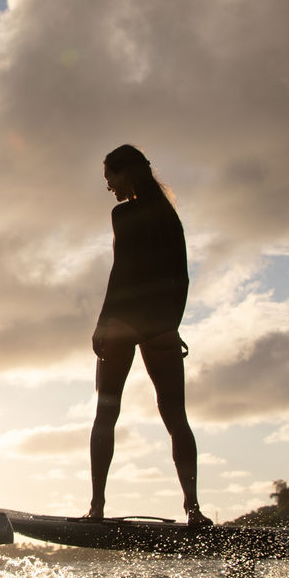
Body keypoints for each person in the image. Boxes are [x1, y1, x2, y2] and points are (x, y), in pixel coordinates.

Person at [88, 144, 211, 527]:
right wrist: (172, 322)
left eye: (110, 177)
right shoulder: (168, 215)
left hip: (124, 321)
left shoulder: (122, 214)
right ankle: (193, 509)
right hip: (160, 324)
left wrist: (103, 324)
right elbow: (182, 275)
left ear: (126, 174)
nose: (108, 186)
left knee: (105, 413)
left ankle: (97, 508)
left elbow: (120, 272)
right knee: (176, 417)